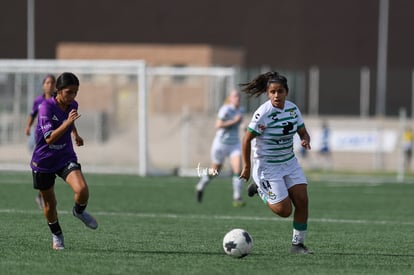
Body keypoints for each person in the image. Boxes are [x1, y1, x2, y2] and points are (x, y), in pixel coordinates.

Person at [239, 71, 313, 254]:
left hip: (289, 163)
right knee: (284, 211)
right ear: (268, 93)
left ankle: (297, 245)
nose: (276, 95)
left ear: (286, 92)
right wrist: (247, 167)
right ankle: (259, 189)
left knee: (303, 200)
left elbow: (302, 131)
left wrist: (305, 139)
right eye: (272, 92)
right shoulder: (263, 114)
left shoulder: (292, 109)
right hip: (268, 168)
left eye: (280, 91)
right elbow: (246, 140)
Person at [30, 72, 98, 250]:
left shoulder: (72, 104)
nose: (73, 96)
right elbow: (49, 138)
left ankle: (79, 211)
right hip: (43, 161)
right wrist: (68, 124)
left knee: (82, 190)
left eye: (76, 92)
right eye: (69, 92)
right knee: (50, 205)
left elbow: (71, 119)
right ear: (58, 90)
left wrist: (75, 134)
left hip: (65, 156)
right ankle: (57, 235)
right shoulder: (45, 108)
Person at [195, 90, 246, 207]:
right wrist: (234, 121)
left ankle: (237, 197)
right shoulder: (225, 109)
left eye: (238, 96)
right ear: (230, 98)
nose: (237, 98)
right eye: (235, 96)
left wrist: (245, 128)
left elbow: (241, 123)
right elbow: (218, 125)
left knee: (238, 170)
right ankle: (201, 185)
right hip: (221, 144)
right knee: (215, 171)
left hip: (234, 144)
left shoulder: (241, 110)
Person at [25, 74, 56, 209]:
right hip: (41, 138)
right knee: (45, 167)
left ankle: (42, 195)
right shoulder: (38, 101)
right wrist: (27, 126)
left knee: (52, 167)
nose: (49, 85)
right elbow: (32, 115)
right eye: (47, 82)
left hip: (55, 137)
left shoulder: (57, 100)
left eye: (52, 83)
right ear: (43, 85)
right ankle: (42, 195)